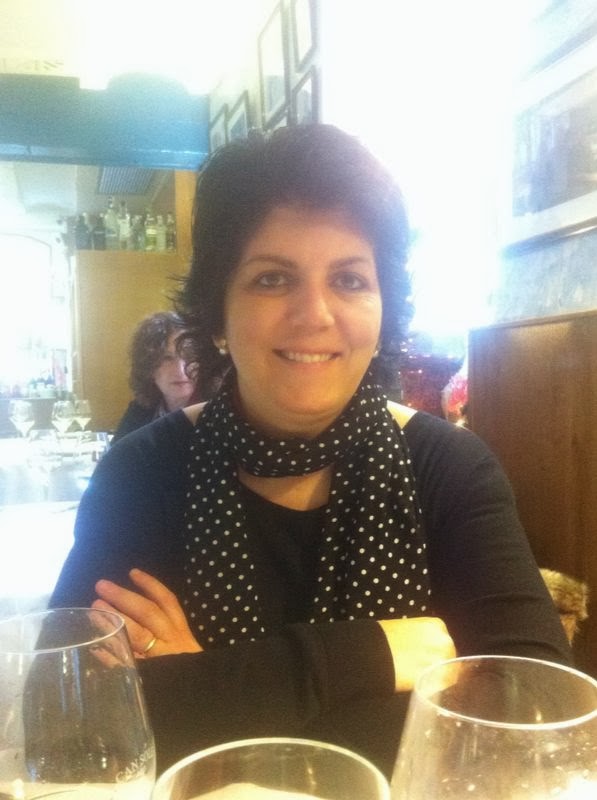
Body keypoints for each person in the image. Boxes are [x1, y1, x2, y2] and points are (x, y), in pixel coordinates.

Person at [50, 124, 571, 777]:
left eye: (349, 280)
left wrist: (204, 681)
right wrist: (372, 657)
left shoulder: (448, 467)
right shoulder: (143, 471)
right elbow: (73, 716)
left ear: (383, 310)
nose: (315, 314)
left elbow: (537, 711)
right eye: (272, 279)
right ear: (216, 315)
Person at [112, 311, 199, 442]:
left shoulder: (216, 412)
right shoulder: (140, 410)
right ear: (148, 366)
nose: (180, 370)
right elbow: (118, 452)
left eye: (189, 356)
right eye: (167, 358)